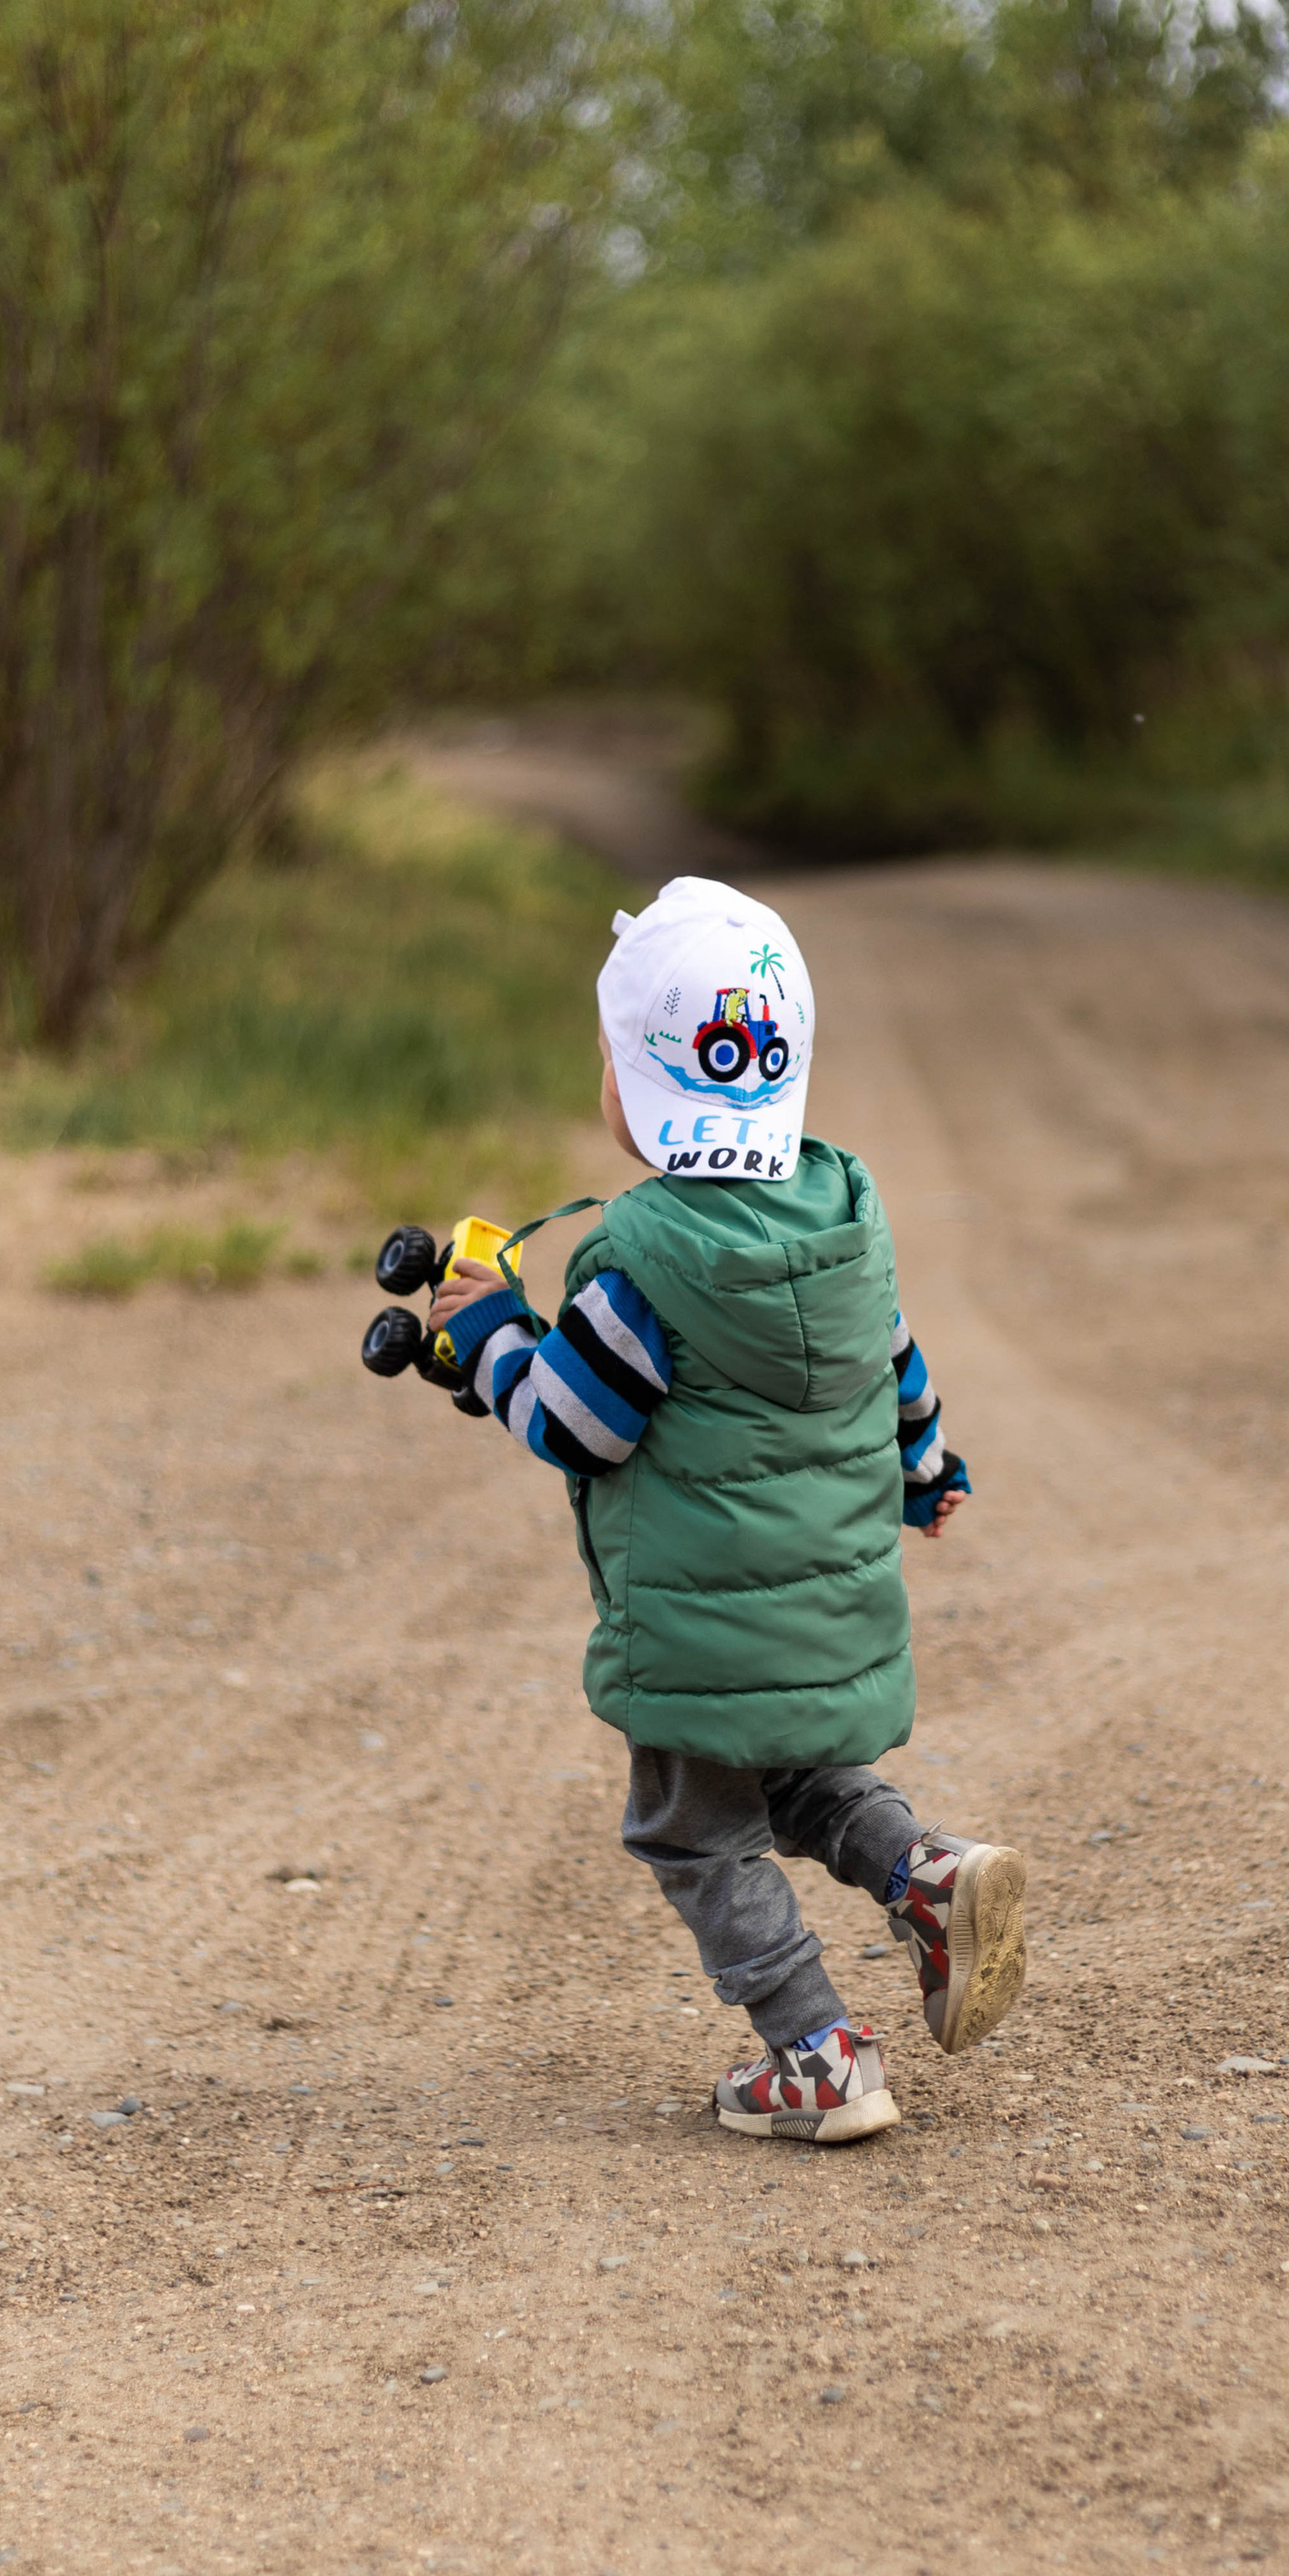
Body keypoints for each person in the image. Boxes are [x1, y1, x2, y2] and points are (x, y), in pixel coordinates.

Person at [423, 874, 1027, 2145]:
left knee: (695, 1835)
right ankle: (927, 1876)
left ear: (642, 1078)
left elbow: (572, 1422)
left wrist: (487, 1335)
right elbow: (894, 1367)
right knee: (806, 1784)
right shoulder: (849, 1211)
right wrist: (928, 1470)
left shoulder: (642, 1254)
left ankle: (818, 2052)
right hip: (833, 1606)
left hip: (698, 1635)